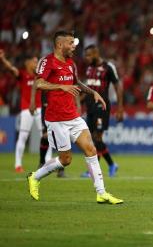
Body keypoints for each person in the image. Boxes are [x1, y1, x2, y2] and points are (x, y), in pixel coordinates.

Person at [26, 30, 123, 204]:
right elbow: (38, 82)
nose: (74, 46)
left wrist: (93, 92)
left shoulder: (71, 63)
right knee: (65, 160)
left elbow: (76, 82)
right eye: (70, 43)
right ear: (59, 44)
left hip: (73, 116)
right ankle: (35, 176)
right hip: (56, 119)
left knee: (91, 149)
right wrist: (60, 87)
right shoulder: (47, 61)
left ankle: (101, 192)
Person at [80, 44, 123, 178]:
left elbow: (118, 86)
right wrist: (78, 100)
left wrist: (120, 108)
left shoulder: (108, 67)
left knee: (97, 137)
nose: (86, 58)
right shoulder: (89, 69)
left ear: (96, 53)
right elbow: (88, 89)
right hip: (89, 106)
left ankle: (95, 170)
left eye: (89, 55)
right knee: (93, 139)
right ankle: (111, 165)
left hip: (102, 106)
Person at [0, 49, 45, 173]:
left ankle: (46, 162)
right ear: (27, 63)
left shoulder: (40, 76)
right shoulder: (22, 74)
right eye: (35, 62)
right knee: (23, 136)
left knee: (45, 136)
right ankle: (18, 164)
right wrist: (3, 59)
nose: (37, 64)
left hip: (40, 108)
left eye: (37, 61)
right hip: (26, 110)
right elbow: (11, 69)